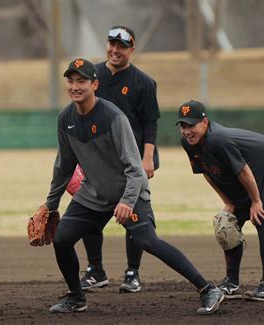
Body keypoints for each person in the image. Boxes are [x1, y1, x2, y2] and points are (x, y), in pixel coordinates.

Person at [46, 58, 224, 314]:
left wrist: (128, 201)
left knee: (147, 240)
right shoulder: (65, 119)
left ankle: (208, 289)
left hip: (129, 189)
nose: (75, 86)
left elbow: (135, 168)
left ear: (95, 84)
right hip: (94, 193)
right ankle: (77, 297)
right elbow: (63, 165)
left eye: (82, 81)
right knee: (62, 239)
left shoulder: (113, 118)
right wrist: (51, 205)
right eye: (71, 81)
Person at [68, 26, 160, 293]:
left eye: (122, 46)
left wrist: (148, 158)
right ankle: (96, 270)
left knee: (132, 213)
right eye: (112, 44)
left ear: (132, 50)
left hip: (131, 160)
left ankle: (132, 272)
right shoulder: (91, 75)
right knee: (88, 208)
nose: (115, 50)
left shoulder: (144, 82)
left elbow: (150, 122)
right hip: (97, 159)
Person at [176, 100, 264, 301]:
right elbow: (207, 172)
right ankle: (232, 283)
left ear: (205, 122)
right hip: (253, 173)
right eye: (183, 126)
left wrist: (256, 202)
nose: (187, 131)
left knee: (262, 220)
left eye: (191, 125)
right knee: (228, 224)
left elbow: (243, 171)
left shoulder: (218, 140)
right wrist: (229, 202)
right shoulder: (189, 143)